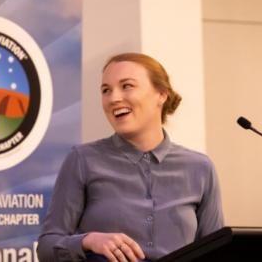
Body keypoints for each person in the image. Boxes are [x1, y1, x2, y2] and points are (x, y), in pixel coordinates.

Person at [37, 53, 224, 262]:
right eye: (106, 90)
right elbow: (46, 248)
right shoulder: (82, 160)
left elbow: (216, 251)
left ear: (161, 94)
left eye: (127, 86)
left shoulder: (200, 168)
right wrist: (88, 240)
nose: (114, 98)